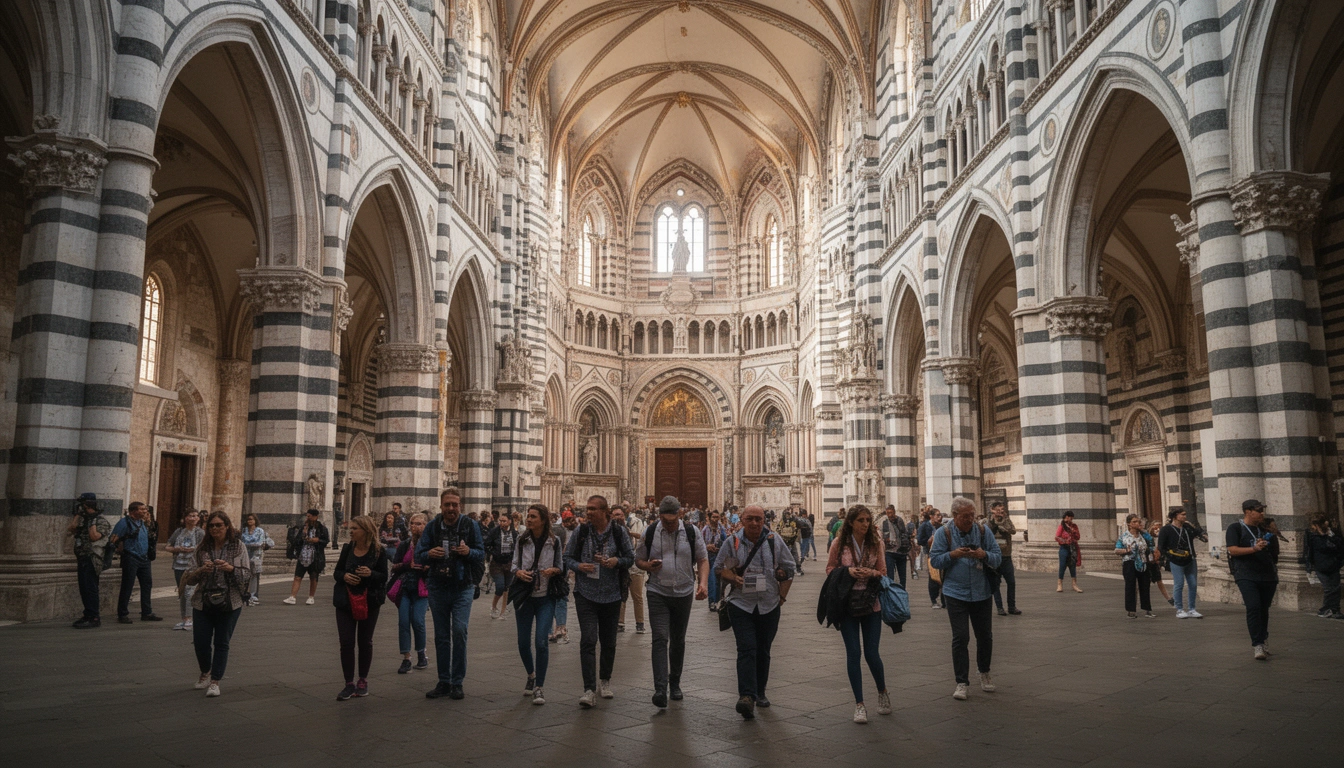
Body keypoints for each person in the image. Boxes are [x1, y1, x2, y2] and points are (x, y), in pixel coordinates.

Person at [715, 504, 796, 720]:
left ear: (764, 520)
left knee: (763, 650)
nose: (754, 523)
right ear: (741, 520)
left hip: (769, 603)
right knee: (747, 648)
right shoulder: (732, 541)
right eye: (749, 519)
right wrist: (733, 578)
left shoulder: (774, 540)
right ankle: (747, 696)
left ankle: (760, 692)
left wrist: (782, 597)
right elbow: (719, 567)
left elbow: (790, 568)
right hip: (740, 603)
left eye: (758, 519)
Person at [637, 496, 710, 708]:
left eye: (673, 520)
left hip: (684, 592)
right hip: (657, 591)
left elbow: (703, 559)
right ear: (659, 516)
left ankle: (675, 683)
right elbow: (638, 559)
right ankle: (660, 688)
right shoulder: (650, 532)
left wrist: (703, 584)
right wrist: (648, 565)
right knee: (660, 637)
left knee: (678, 639)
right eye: (665, 520)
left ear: (680, 515)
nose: (669, 524)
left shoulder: (691, 532)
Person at [928, 496, 1001, 701]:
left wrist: (983, 554)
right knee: (961, 637)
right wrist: (954, 555)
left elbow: (997, 556)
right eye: (965, 516)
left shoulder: (983, 531)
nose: (970, 519)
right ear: (954, 516)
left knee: (984, 635)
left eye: (972, 515)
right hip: (955, 592)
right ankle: (961, 682)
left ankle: (984, 671)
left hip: (981, 591)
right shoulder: (944, 533)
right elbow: (935, 560)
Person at [565, 495, 635, 708]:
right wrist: (579, 567)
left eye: (593, 509)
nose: (588, 512)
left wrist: (616, 561)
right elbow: (567, 557)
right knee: (588, 639)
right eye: (587, 508)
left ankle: (604, 680)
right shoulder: (582, 531)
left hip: (612, 594)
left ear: (604, 512)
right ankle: (588, 689)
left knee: (608, 641)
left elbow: (630, 557)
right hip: (585, 593)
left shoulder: (618, 531)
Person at [418, 487, 485, 699]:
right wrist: (429, 553)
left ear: (460, 506)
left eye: (454, 504)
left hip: (462, 585)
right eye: (447, 504)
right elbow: (419, 555)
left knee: (459, 631)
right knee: (441, 636)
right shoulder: (432, 526)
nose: (451, 508)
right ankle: (444, 681)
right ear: (441, 506)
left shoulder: (470, 525)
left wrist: (468, 552)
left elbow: (481, 553)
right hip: (438, 586)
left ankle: (457, 682)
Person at [826, 505, 890, 724]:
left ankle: (882, 692)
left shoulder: (876, 543)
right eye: (861, 520)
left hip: (872, 604)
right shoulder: (838, 544)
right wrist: (848, 572)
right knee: (853, 653)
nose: (865, 524)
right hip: (847, 605)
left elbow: (883, 572)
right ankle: (859, 704)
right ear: (851, 522)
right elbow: (829, 570)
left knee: (872, 653)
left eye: (868, 520)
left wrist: (871, 572)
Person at [182, 511, 251, 698]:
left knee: (222, 642)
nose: (214, 529)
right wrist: (201, 570)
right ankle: (205, 671)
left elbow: (246, 575)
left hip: (230, 601)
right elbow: (188, 577)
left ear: (227, 526)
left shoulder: (238, 547)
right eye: (211, 525)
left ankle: (215, 681)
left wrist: (230, 569)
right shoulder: (202, 548)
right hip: (203, 601)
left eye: (219, 525)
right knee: (200, 641)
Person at [512, 503, 565, 705]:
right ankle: (531, 674)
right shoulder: (521, 540)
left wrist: (554, 571)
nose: (529, 519)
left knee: (541, 641)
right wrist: (518, 572)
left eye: (533, 516)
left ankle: (539, 687)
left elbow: (560, 566)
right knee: (523, 643)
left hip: (545, 597)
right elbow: (514, 565)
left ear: (543, 520)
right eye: (528, 516)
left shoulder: (555, 541)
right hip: (525, 596)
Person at [333, 515, 389, 700]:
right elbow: (337, 572)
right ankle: (349, 683)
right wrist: (344, 577)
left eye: (355, 528)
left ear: (365, 531)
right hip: (345, 600)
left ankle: (362, 680)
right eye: (351, 528)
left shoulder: (379, 551)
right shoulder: (347, 548)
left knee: (365, 642)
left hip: (369, 601)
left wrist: (370, 573)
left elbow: (383, 577)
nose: (351, 531)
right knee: (346, 643)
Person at [1226, 499, 1280, 659]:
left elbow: (1275, 553)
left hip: (1267, 575)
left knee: (1263, 609)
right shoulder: (1235, 528)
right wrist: (1254, 548)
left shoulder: (1265, 530)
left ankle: (1263, 638)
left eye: (1262, 510)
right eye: (1259, 510)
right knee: (1253, 607)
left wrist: (1270, 540)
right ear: (1248, 511)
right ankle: (1257, 644)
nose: (1262, 513)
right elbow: (1233, 550)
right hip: (1245, 574)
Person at [110, 501, 163, 624]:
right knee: (127, 586)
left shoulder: (141, 522)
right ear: (133, 511)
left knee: (147, 584)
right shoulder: (124, 523)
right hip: (131, 557)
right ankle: (122, 614)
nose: (145, 511)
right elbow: (113, 539)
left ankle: (147, 612)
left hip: (144, 559)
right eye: (142, 509)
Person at [392, 512, 431, 674]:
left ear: (426, 526)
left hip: (422, 589)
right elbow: (394, 566)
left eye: (419, 524)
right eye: (413, 524)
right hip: (406, 587)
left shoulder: (430, 545)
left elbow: (437, 566)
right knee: (403, 621)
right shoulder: (405, 544)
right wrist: (408, 565)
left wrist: (427, 568)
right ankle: (406, 657)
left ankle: (422, 653)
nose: (415, 527)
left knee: (418, 621)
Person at [68, 493, 111, 628]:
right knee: (84, 588)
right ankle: (87, 614)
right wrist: (77, 515)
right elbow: (72, 529)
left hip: (93, 558)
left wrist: (92, 520)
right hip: (82, 557)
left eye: (83, 505)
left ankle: (94, 617)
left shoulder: (101, 521)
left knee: (91, 588)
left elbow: (94, 536)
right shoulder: (83, 519)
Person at [1158, 508, 1203, 619]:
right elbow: (1161, 546)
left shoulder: (1187, 528)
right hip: (1176, 560)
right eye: (1182, 515)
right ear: (1175, 516)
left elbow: (1199, 533)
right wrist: (1170, 556)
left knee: (1193, 584)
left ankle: (1192, 609)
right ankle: (1179, 609)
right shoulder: (1166, 529)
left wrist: (1193, 527)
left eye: (1185, 514)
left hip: (1190, 559)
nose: (1185, 516)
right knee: (1179, 584)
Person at [167, 508, 205, 630]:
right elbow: (168, 546)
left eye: (195, 516)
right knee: (182, 591)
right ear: (185, 518)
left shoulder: (200, 532)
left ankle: (190, 618)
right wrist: (178, 549)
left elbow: (204, 548)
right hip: (179, 565)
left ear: (198, 518)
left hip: (193, 566)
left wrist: (194, 549)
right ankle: (184, 618)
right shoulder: (179, 531)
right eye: (191, 515)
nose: (193, 518)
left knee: (190, 592)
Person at [284, 509, 330, 605]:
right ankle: (292, 597)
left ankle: (311, 597)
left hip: (315, 556)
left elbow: (325, 541)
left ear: (315, 517)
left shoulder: (322, 529)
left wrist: (317, 540)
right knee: (297, 576)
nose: (308, 518)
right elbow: (297, 542)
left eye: (310, 516)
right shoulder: (303, 528)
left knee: (313, 576)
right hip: (303, 555)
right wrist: (303, 534)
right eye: (307, 516)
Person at [1303, 512, 1344, 619]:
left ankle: (1335, 609)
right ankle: (1324, 609)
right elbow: (1310, 550)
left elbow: (1339, 546)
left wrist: (1330, 535)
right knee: (1329, 589)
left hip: (1333, 564)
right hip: (1320, 565)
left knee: (1336, 588)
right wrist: (1309, 566)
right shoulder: (1312, 535)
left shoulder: (1332, 533)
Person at [614, 506, 646, 633]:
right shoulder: (610, 530)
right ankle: (620, 622)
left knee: (637, 595)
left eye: (620, 515)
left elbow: (643, 538)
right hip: (619, 565)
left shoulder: (635, 523)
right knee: (621, 594)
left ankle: (640, 623)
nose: (618, 517)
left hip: (634, 566)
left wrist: (630, 533)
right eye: (616, 515)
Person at [1115, 514, 1155, 619]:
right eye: (1135, 522)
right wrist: (1126, 550)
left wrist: (1151, 556)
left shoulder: (1145, 535)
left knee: (1145, 585)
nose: (1138, 523)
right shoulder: (1124, 537)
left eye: (1138, 521)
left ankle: (1147, 609)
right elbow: (1116, 550)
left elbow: (1151, 546)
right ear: (1129, 524)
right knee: (1130, 586)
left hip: (1143, 562)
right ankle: (1131, 610)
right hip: (1129, 562)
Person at [985, 502, 1020, 616]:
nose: (1000, 511)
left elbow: (1013, 530)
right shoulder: (988, 521)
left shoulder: (1006, 520)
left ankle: (1011, 606)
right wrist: (994, 522)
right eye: (998, 509)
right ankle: (1000, 607)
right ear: (992, 510)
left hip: (1006, 556)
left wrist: (1004, 524)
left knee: (1011, 582)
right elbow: (987, 531)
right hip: (995, 557)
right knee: (996, 583)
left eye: (1002, 509)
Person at [549, 511, 577, 643]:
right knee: (559, 599)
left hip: (557, 571)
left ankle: (553, 630)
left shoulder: (561, 532)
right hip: (559, 571)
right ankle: (559, 629)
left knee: (552, 600)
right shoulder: (563, 533)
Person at [487, 511, 519, 619]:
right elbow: (487, 544)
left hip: (509, 563)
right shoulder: (494, 532)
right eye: (500, 521)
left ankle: (503, 611)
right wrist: (493, 552)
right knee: (500, 587)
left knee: (507, 588)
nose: (501, 523)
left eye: (504, 521)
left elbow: (517, 547)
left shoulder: (514, 533)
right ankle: (494, 606)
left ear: (510, 521)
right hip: (497, 563)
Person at [239, 512, 273, 606]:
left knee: (254, 575)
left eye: (251, 519)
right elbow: (241, 543)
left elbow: (260, 543)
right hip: (245, 555)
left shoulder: (260, 531)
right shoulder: (243, 530)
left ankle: (254, 596)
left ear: (255, 521)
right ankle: (244, 595)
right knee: (244, 575)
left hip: (256, 556)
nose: (250, 521)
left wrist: (248, 545)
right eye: (248, 519)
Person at [917, 509, 944, 608]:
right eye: (937, 515)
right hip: (930, 553)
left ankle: (944, 600)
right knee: (933, 576)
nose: (939, 517)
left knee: (942, 576)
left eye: (940, 515)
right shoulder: (925, 525)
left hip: (941, 554)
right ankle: (934, 600)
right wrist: (929, 540)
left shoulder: (941, 526)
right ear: (931, 516)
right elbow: (919, 540)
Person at [702, 510, 729, 609]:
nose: (715, 519)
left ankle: (718, 600)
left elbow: (726, 541)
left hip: (719, 555)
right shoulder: (705, 530)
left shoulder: (721, 529)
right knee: (712, 578)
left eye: (717, 517)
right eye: (713, 517)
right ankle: (712, 601)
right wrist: (707, 546)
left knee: (718, 579)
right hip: (709, 556)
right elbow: (700, 544)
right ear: (709, 518)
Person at [879, 505, 908, 587]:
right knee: (890, 575)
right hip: (889, 552)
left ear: (894, 512)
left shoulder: (900, 520)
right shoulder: (884, 522)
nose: (890, 515)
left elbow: (904, 533)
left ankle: (902, 591)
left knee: (903, 576)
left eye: (891, 513)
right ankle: (891, 592)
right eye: (888, 513)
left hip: (901, 552)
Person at [1054, 511, 1083, 593]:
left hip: (1072, 548)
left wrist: (1074, 532)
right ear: (1066, 517)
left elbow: (1078, 537)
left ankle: (1074, 584)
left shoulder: (1074, 526)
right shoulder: (1062, 526)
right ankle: (1059, 584)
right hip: (1064, 548)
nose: (1071, 520)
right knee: (1062, 565)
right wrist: (1065, 541)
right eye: (1071, 518)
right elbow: (1057, 537)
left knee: (1072, 565)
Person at [1147, 520, 1173, 606]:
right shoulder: (1148, 537)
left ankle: (1169, 598)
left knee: (1159, 581)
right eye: (1156, 526)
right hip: (1148, 562)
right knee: (1144, 583)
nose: (1158, 528)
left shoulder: (1161, 536)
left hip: (1155, 562)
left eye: (1159, 526)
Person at [778, 511, 804, 576]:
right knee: (793, 554)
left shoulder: (782, 522)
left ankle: (793, 568)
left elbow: (778, 530)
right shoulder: (791, 521)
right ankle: (796, 568)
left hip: (786, 541)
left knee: (790, 554)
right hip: (790, 541)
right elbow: (796, 530)